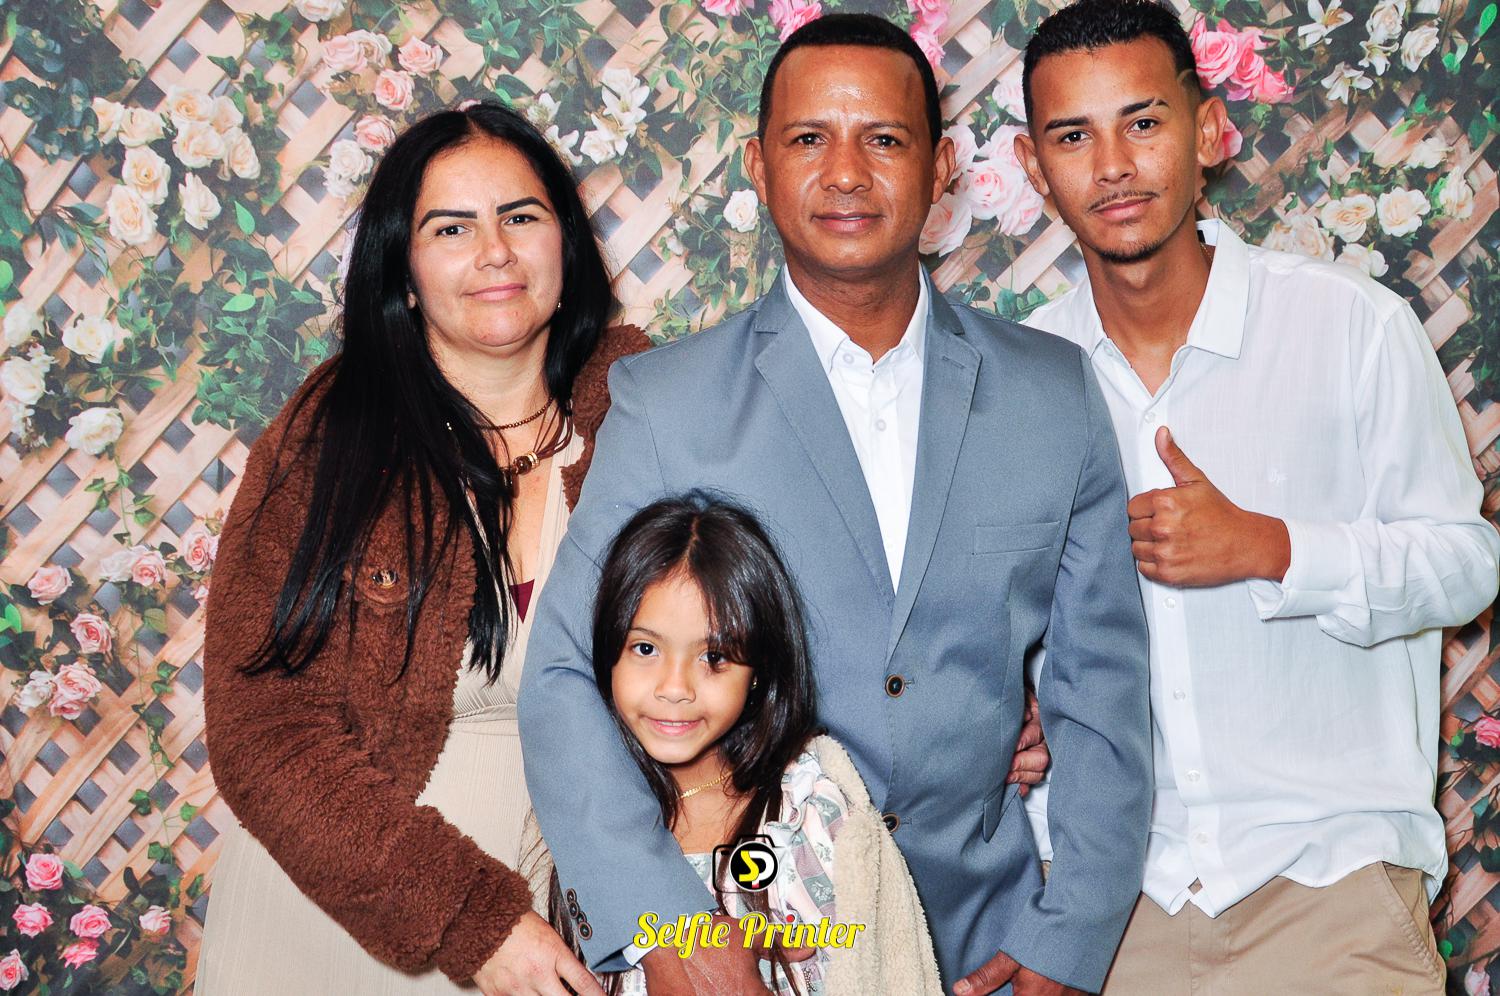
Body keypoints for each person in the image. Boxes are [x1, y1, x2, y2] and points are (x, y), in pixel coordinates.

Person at [520, 13, 1152, 996]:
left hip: (987, 951)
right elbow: (564, 672)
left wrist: (1071, 934)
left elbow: (1102, 685)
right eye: (810, 138)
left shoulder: (1052, 392)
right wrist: (663, 928)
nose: (847, 174)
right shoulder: (666, 404)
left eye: (884, 139)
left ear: (941, 168)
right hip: (751, 948)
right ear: (759, 165)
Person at [1014, 2, 1500, 992]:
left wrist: (1271, 547)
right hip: (1113, 905)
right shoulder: (1017, 377)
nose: (1113, 165)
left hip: (1332, 887)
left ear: (1209, 130)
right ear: (1033, 167)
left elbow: (1464, 562)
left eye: (1143, 122)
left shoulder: (1350, 327)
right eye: (1074, 136)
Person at [198, 102, 651, 995]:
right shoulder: (327, 441)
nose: (495, 252)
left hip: (564, 930)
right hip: (335, 932)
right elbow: (260, 731)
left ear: (566, 243)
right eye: (451, 228)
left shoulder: (648, 416)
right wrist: (467, 918)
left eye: (521, 216)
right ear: (402, 271)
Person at [521, 492, 943, 995]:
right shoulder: (578, 826)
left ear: (758, 672)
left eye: (715, 657)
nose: (675, 687)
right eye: (646, 648)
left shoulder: (808, 817)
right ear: (607, 652)